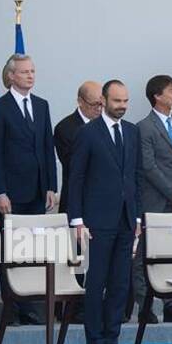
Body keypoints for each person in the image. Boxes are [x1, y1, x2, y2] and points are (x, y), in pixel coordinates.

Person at [69, 79, 141, 344]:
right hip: (96, 222)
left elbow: (136, 176)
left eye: (125, 101)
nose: (121, 106)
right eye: (116, 101)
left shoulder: (132, 132)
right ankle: (95, 343)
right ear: (104, 101)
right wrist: (77, 220)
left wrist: (137, 216)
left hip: (125, 220)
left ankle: (112, 340)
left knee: (120, 284)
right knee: (96, 282)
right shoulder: (88, 133)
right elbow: (76, 178)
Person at [0, 54, 55, 325]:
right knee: (11, 251)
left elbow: (47, 147)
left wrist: (51, 185)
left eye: (33, 71)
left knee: (31, 250)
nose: (30, 76)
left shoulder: (42, 105)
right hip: (11, 194)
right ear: (11, 75)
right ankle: (11, 309)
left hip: (37, 190)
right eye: (24, 71)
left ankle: (29, 307)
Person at [134, 74, 172, 326]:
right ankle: (143, 304)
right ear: (157, 96)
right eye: (171, 91)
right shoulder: (144, 127)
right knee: (145, 253)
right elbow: (148, 167)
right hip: (154, 200)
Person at [53, 81, 103, 239]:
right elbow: (73, 167)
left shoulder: (106, 125)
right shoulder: (65, 128)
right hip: (78, 202)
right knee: (76, 257)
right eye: (95, 104)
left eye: (102, 104)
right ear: (80, 101)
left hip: (103, 203)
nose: (99, 109)